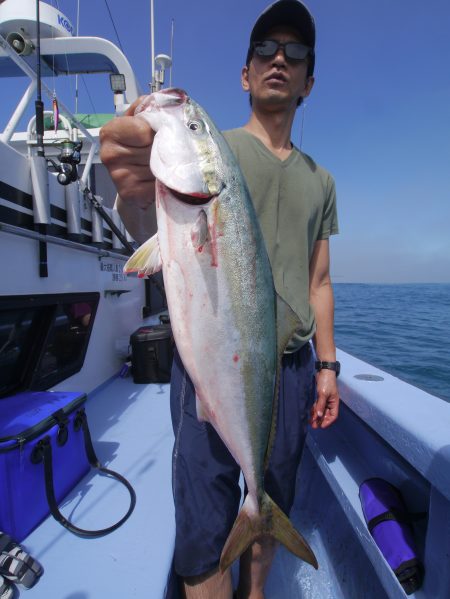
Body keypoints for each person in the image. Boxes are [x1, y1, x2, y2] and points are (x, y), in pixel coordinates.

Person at [100, 2, 340, 597]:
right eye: (264, 49)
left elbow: (319, 281)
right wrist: (132, 184)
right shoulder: (211, 151)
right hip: (209, 362)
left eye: (295, 53)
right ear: (245, 74)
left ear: (309, 81)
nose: (279, 59)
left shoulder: (321, 179)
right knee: (206, 514)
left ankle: (255, 589)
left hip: (291, 370)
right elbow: (150, 223)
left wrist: (329, 366)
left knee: (269, 494)